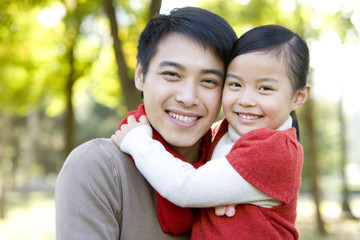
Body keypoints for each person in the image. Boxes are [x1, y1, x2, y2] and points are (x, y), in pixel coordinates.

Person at [111, 24, 311, 239]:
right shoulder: (223, 133)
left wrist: (140, 143)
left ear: (298, 96)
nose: (246, 100)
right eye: (235, 84)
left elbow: (185, 188)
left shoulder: (274, 149)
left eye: (265, 88)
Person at [55, 7, 237, 240]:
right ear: (141, 74)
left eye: (209, 81)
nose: (188, 97)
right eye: (172, 74)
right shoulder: (100, 167)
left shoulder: (233, 172)